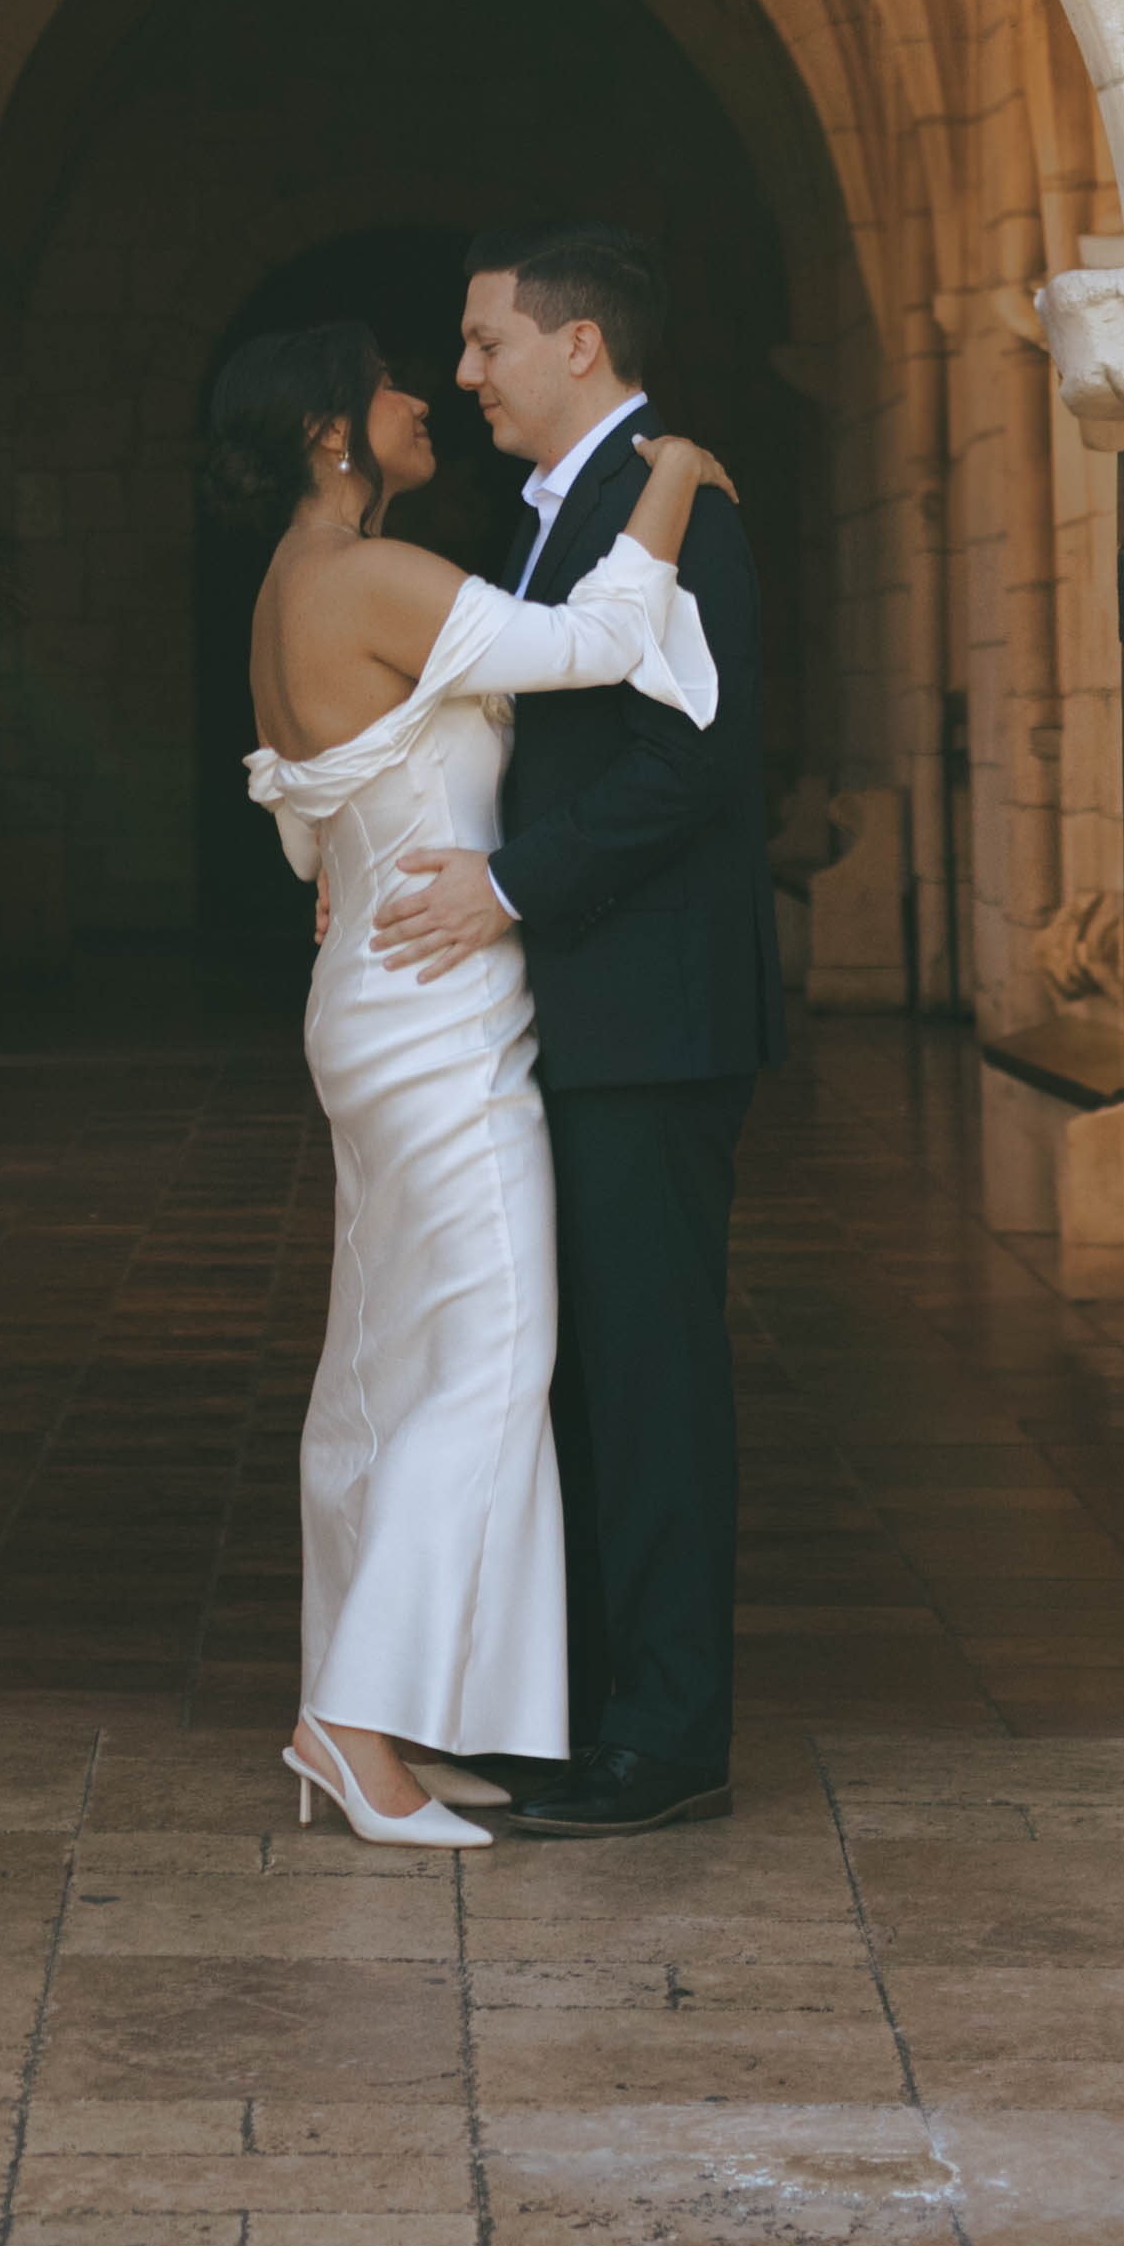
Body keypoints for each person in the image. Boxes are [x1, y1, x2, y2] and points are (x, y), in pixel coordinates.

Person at [220, 314, 730, 1843]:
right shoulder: (366, 574)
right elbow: (590, 646)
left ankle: (382, 1711)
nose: (423, 397)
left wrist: (355, 860)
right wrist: (680, 478)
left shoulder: (287, 591)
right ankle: (357, 1725)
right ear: (331, 433)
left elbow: (309, 819)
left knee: (380, 1371)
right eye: (387, 386)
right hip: (440, 1017)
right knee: (492, 1360)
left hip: (375, 996)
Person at [361, 223, 764, 1833]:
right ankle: (586, 1710)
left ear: (576, 345)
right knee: (581, 1371)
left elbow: (692, 767)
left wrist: (511, 889)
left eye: (485, 344)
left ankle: (665, 1741)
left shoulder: (682, 498)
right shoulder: (570, 512)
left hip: (653, 1019)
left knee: (651, 1378)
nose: (465, 377)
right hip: (585, 1015)